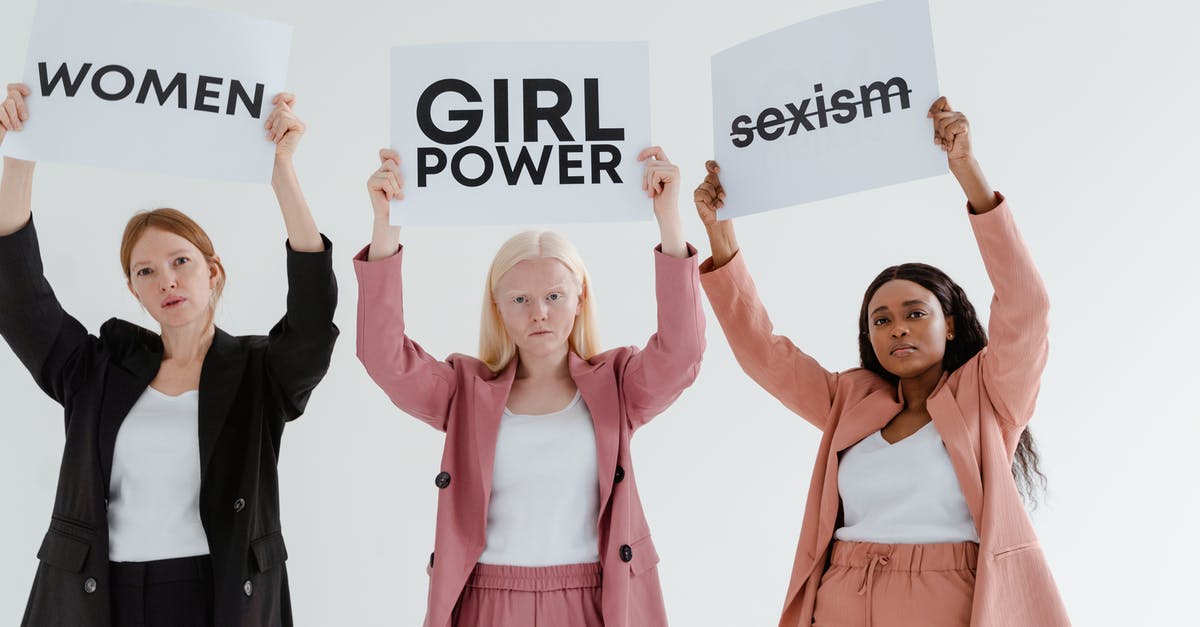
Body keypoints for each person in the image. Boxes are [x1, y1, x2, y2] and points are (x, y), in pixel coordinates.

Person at [693, 97, 1069, 626]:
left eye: (916, 313)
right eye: (881, 319)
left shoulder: (991, 397)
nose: (897, 328)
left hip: (947, 596)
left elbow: (1027, 307)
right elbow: (765, 356)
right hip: (843, 590)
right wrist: (721, 235)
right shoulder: (850, 398)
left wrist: (968, 174)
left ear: (952, 322)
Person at [0, 83, 338, 627]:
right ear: (134, 290)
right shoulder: (97, 371)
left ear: (214, 270)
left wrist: (281, 172)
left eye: (181, 261)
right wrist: (18, 158)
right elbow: (20, 300)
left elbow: (313, 325)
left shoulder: (258, 374)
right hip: (100, 595)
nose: (167, 280)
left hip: (216, 591)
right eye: (146, 271)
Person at [353, 146, 704, 627]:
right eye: (519, 298)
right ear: (497, 308)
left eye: (554, 296)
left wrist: (669, 221)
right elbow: (385, 358)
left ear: (579, 300)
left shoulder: (617, 386)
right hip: (486, 599)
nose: (539, 311)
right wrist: (387, 226)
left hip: (595, 598)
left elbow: (681, 354)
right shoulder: (465, 391)